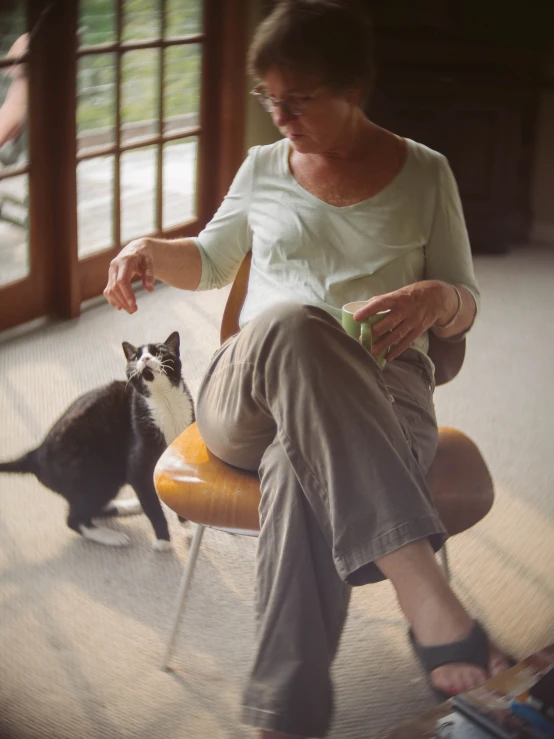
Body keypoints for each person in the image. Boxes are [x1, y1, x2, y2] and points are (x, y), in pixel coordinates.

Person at [104, 2, 512, 736]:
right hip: (249, 392)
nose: (280, 117)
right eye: (270, 98)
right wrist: (145, 248)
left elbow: (466, 305)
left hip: (385, 394)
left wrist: (440, 296)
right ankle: (420, 586)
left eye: (298, 99)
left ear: (354, 87)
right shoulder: (263, 167)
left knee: (301, 464)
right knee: (293, 321)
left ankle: (283, 717)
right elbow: (206, 258)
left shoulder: (427, 174)